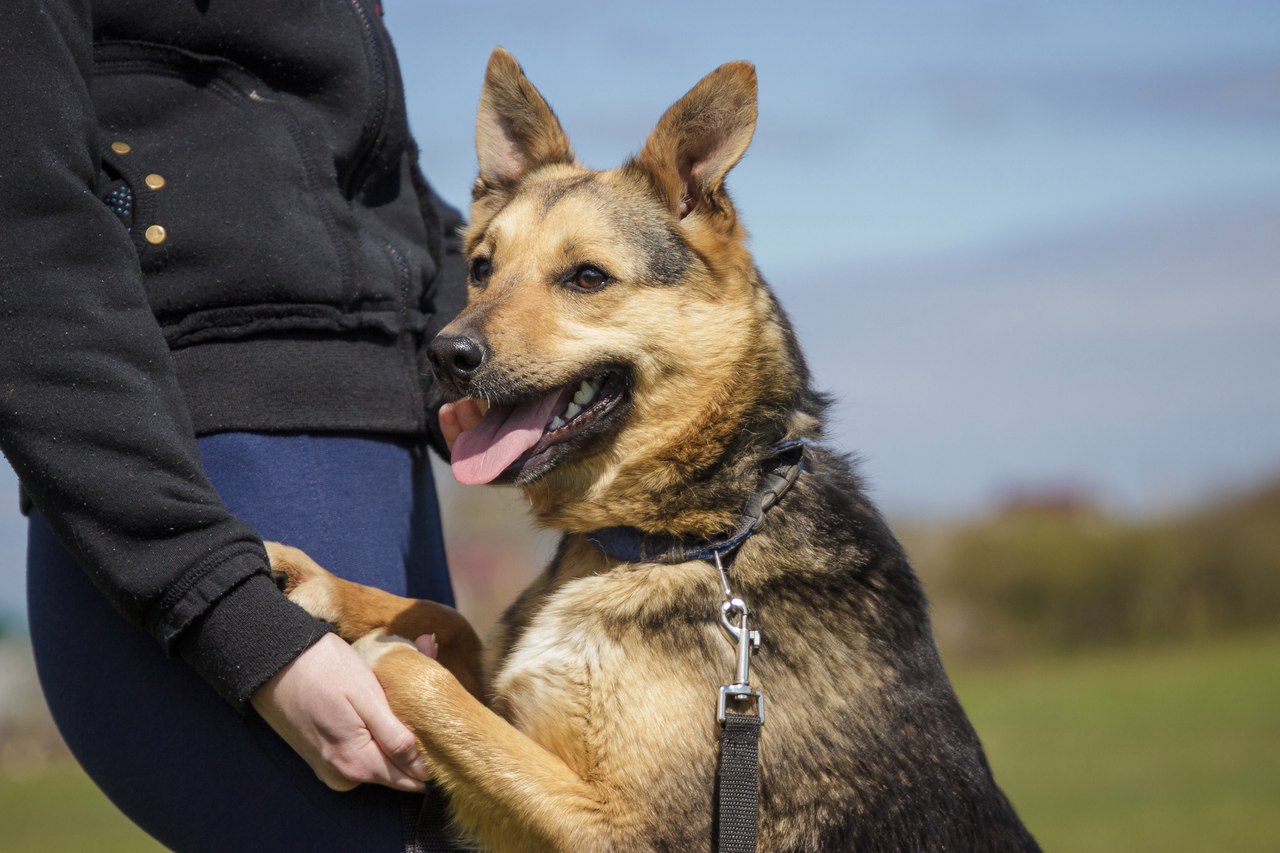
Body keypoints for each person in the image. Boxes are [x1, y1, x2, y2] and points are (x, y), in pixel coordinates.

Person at [0, 2, 472, 850]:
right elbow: (27, 238)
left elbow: (392, 195)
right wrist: (246, 630)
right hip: (193, 487)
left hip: (394, 486)